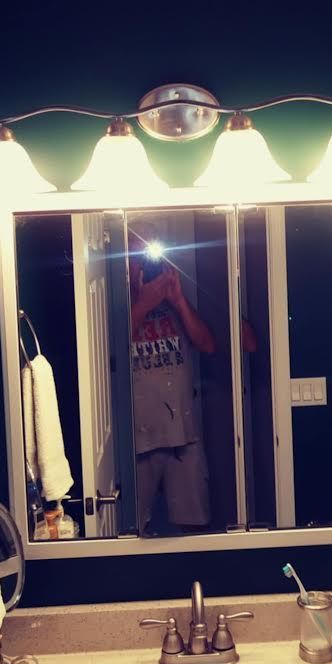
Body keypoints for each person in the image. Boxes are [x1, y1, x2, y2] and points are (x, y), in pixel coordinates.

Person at [128, 225, 215, 534]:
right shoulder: (112, 305)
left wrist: (177, 300)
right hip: (136, 443)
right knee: (132, 533)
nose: (144, 262)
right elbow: (108, 354)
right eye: (136, 255)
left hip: (184, 437)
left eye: (148, 254)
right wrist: (142, 305)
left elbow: (207, 344)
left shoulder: (172, 303)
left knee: (194, 529)